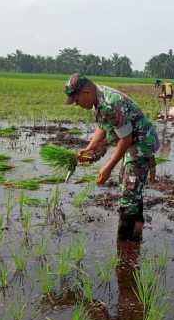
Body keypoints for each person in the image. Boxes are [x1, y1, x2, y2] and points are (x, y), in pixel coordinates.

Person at [65, 73, 159, 241]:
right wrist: (89, 148)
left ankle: (126, 247)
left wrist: (107, 168)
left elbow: (126, 138)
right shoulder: (98, 99)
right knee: (132, 191)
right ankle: (135, 241)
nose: (77, 105)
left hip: (141, 144)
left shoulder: (110, 103)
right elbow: (102, 126)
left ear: (86, 92)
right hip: (132, 143)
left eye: (77, 100)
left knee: (129, 197)